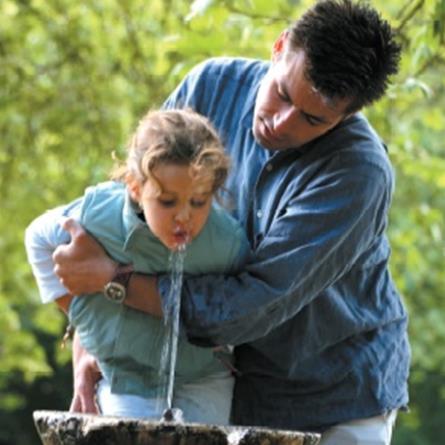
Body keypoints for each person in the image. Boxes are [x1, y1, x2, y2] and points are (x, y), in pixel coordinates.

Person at [49, 1, 410, 443]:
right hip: (221, 379)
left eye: (312, 118)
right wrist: (92, 344)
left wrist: (115, 282)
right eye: (282, 93)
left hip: (335, 397)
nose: (280, 122)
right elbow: (130, 216)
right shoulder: (209, 86)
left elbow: (246, 307)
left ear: (346, 116)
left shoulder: (357, 173)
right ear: (279, 48)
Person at [25, 109, 250, 424]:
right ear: (134, 186)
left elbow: (245, 304)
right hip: (127, 377)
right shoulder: (97, 219)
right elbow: (37, 238)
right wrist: (82, 317)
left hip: (203, 377)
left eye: (198, 202)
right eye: (168, 202)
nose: (184, 216)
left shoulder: (227, 244)